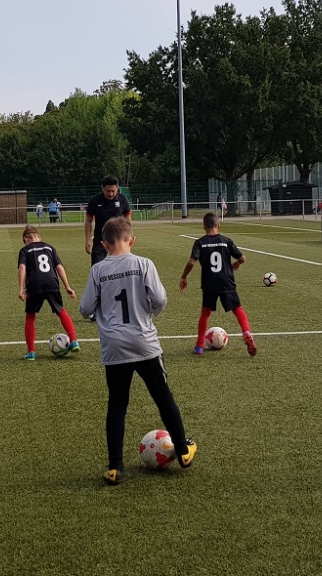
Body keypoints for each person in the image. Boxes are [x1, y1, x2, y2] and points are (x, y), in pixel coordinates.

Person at [79, 217, 196, 486]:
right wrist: (148, 312)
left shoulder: (98, 270)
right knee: (163, 397)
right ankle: (182, 451)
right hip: (144, 342)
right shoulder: (144, 264)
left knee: (117, 404)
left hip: (114, 346)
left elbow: (85, 309)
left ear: (104, 244)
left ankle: (114, 467)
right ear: (132, 240)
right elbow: (160, 299)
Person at [179, 212, 257, 356]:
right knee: (237, 309)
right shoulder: (226, 241)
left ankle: (199, 346)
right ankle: (246, 333)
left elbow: (191, 262)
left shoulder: (200, 242)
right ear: (218, 226)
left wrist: (184, 276)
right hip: (226, 280)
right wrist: (237, 263)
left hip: (209, 282)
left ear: (204, 226)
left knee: (205, 313)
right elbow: (242, 258)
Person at [17, 225, 80, 361]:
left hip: (34, 284)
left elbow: (22, 267)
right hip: (52, 282)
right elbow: (59, 267)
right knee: (61, 311)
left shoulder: (25, 250)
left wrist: (21, 288)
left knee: (30, 317)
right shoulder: (50, 248)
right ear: (39, 237)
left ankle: (31, 352)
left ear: (25, 239)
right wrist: (67, 286)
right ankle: (74, 341)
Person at [84, 175, 132, 266]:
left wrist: (128, 236)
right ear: (102, 189)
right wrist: (87, 240)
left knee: (119, 269)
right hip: (100, 241)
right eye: (108, 191)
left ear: (117, 188)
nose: (110, 194)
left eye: (113, 191)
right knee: (97, 268)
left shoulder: (122, 199)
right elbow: (89, 220)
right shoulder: (94, 201)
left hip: (118, 241)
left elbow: (127, 218)